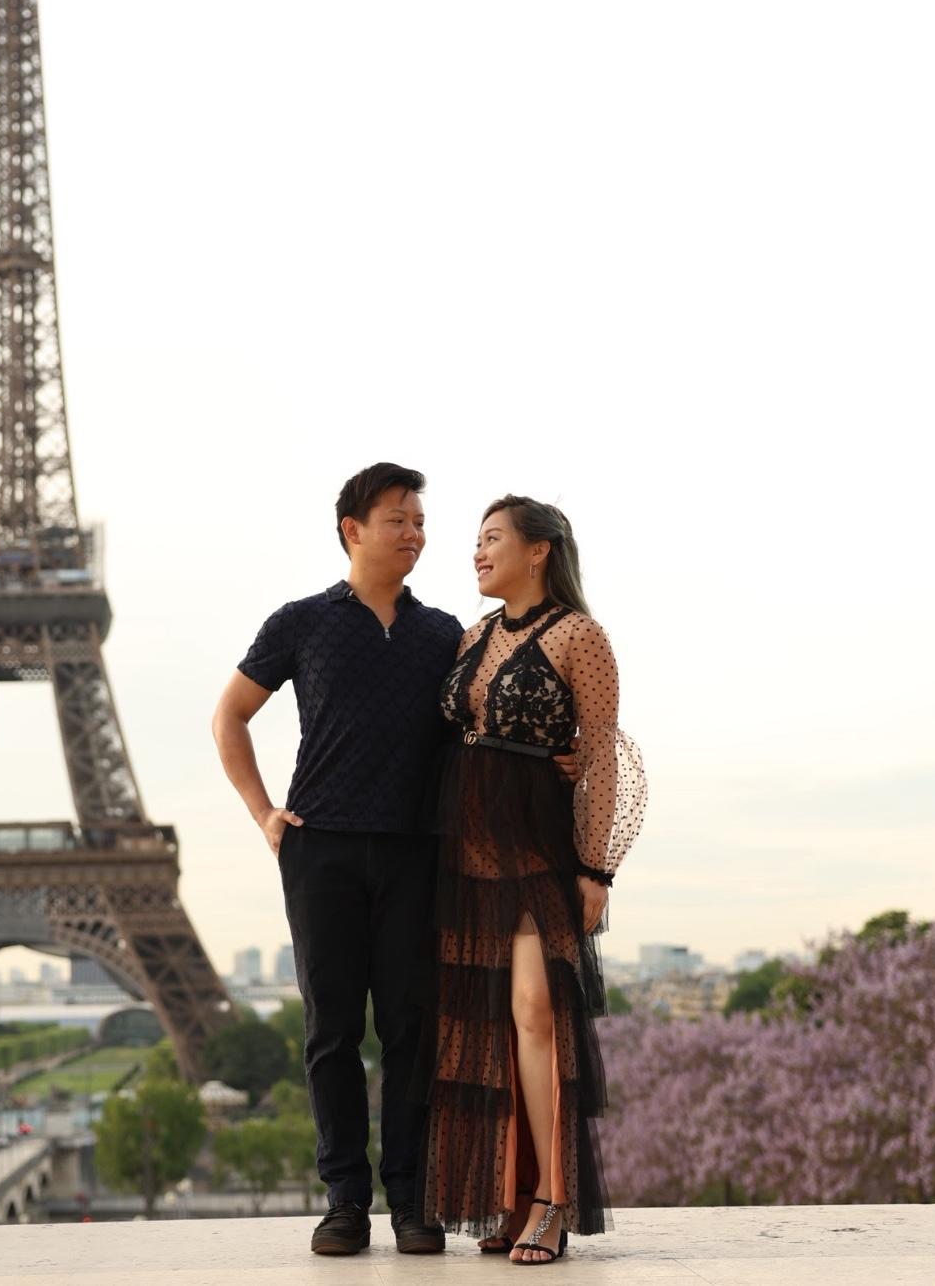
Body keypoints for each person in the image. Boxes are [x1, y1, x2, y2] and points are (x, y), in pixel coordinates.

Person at [212, 463, 470, 1256]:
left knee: (409, 1030)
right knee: (331, 1032)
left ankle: (414, 1202)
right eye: (399, 518)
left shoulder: (446, 635)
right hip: (319, 848)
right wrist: (264, 815)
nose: (416, 532)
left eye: (421, 520)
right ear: (353, 529)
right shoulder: (299, 623)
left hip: (414, 851)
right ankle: (345, 1202)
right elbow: (230, 717)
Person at [422, 495, 646, 1265]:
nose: (477, 553)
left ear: (540, 549)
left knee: (534, 1012)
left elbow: (605, 751)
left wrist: (596, 866)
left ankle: (552, 1199)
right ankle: (509, 1197)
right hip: (461, 854)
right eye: (475, 542)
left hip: (536, 851)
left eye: (491, 540)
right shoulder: (470, 635)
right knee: (482, 1027)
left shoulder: (581, 635)